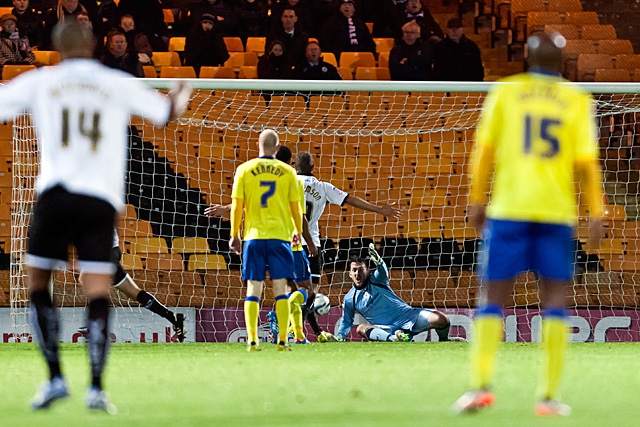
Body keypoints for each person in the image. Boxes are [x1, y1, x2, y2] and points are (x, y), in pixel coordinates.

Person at [0, 19, 191, 412]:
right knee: (99, 290)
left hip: (55, 194)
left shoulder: (41, 81)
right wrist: (181, 93)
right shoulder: (113, 82)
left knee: (38, 282)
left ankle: (54, 378)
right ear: (93, 45)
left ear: (57, 48)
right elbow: (166, 112)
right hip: (99, 199)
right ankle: (97, 389)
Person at [452, 32, 603, 416]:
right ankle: (548, 398)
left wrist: (477, 199)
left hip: (509, 210)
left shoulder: (506, 92)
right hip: (555, 212)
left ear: (526, 57)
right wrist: (596, 212)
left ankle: (480, 387)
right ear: (563, 61)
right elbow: (586, 164)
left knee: (492, 296)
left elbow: (483, 152)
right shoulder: (577, 99)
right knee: (554, 298)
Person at [294, 151, 401, 339]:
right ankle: (297, 332)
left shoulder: (288, 183)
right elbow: (350, 199)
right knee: (311, 294)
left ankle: (307, 332)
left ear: (294, 166)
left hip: (290, 242)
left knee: (299, 293)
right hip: (311, 245)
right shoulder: (322, 187)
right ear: (313, 168)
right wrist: (379, 209)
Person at [229, 129, 304, 352]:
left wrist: (235, 235)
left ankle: (252, 340)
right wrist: (297, 230)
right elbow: (296, 207)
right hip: (279, 238)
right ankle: (282, 339)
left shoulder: (244, 170)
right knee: (280, 289)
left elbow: (237, 206)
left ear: (257, 145)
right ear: (278, 147)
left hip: (253, 238)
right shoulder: (288, 172)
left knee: (253, 288)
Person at [78, 230, 185, 343]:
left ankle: (97, 325)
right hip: (110, 251)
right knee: (134, 292)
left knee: (88, 280)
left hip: (105, 251)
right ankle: (172, 318)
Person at [336, 244, 458, 342]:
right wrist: (340, 337)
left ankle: (444, 340)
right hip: (387, 329)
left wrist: (379, 262)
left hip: (408, 316)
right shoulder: (349, 298)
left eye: (361, 270)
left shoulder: (377, 279)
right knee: (361, 328)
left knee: (442, 319)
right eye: (354, 270)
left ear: (367, 271)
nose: (357, 274)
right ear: (350, 274)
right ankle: (395, 338)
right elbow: (347, 321)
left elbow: (382, 271)